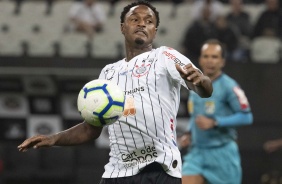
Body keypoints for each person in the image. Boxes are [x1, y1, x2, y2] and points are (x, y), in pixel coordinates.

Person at [18, 1, 213, 184]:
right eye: (134, 19)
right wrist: (54, 139)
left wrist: (202, 81)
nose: (142, 24)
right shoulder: (108, 73)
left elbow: (204, 90)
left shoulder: (164, 56)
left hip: (159, 169)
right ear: (122, 27)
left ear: (155, 31)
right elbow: (90, 129)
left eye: (149, 21)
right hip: (118, 172)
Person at [179, 39, 253, 184]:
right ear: (200, 59)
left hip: (222, 153)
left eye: (214, 57)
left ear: (222, 61)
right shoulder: (194, 87)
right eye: (206, 56)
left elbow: (247, 116)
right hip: (197, 152)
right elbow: (196, 116)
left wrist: (216, 122)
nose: (209, 61)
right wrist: (188, 133)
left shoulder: (230, 86)